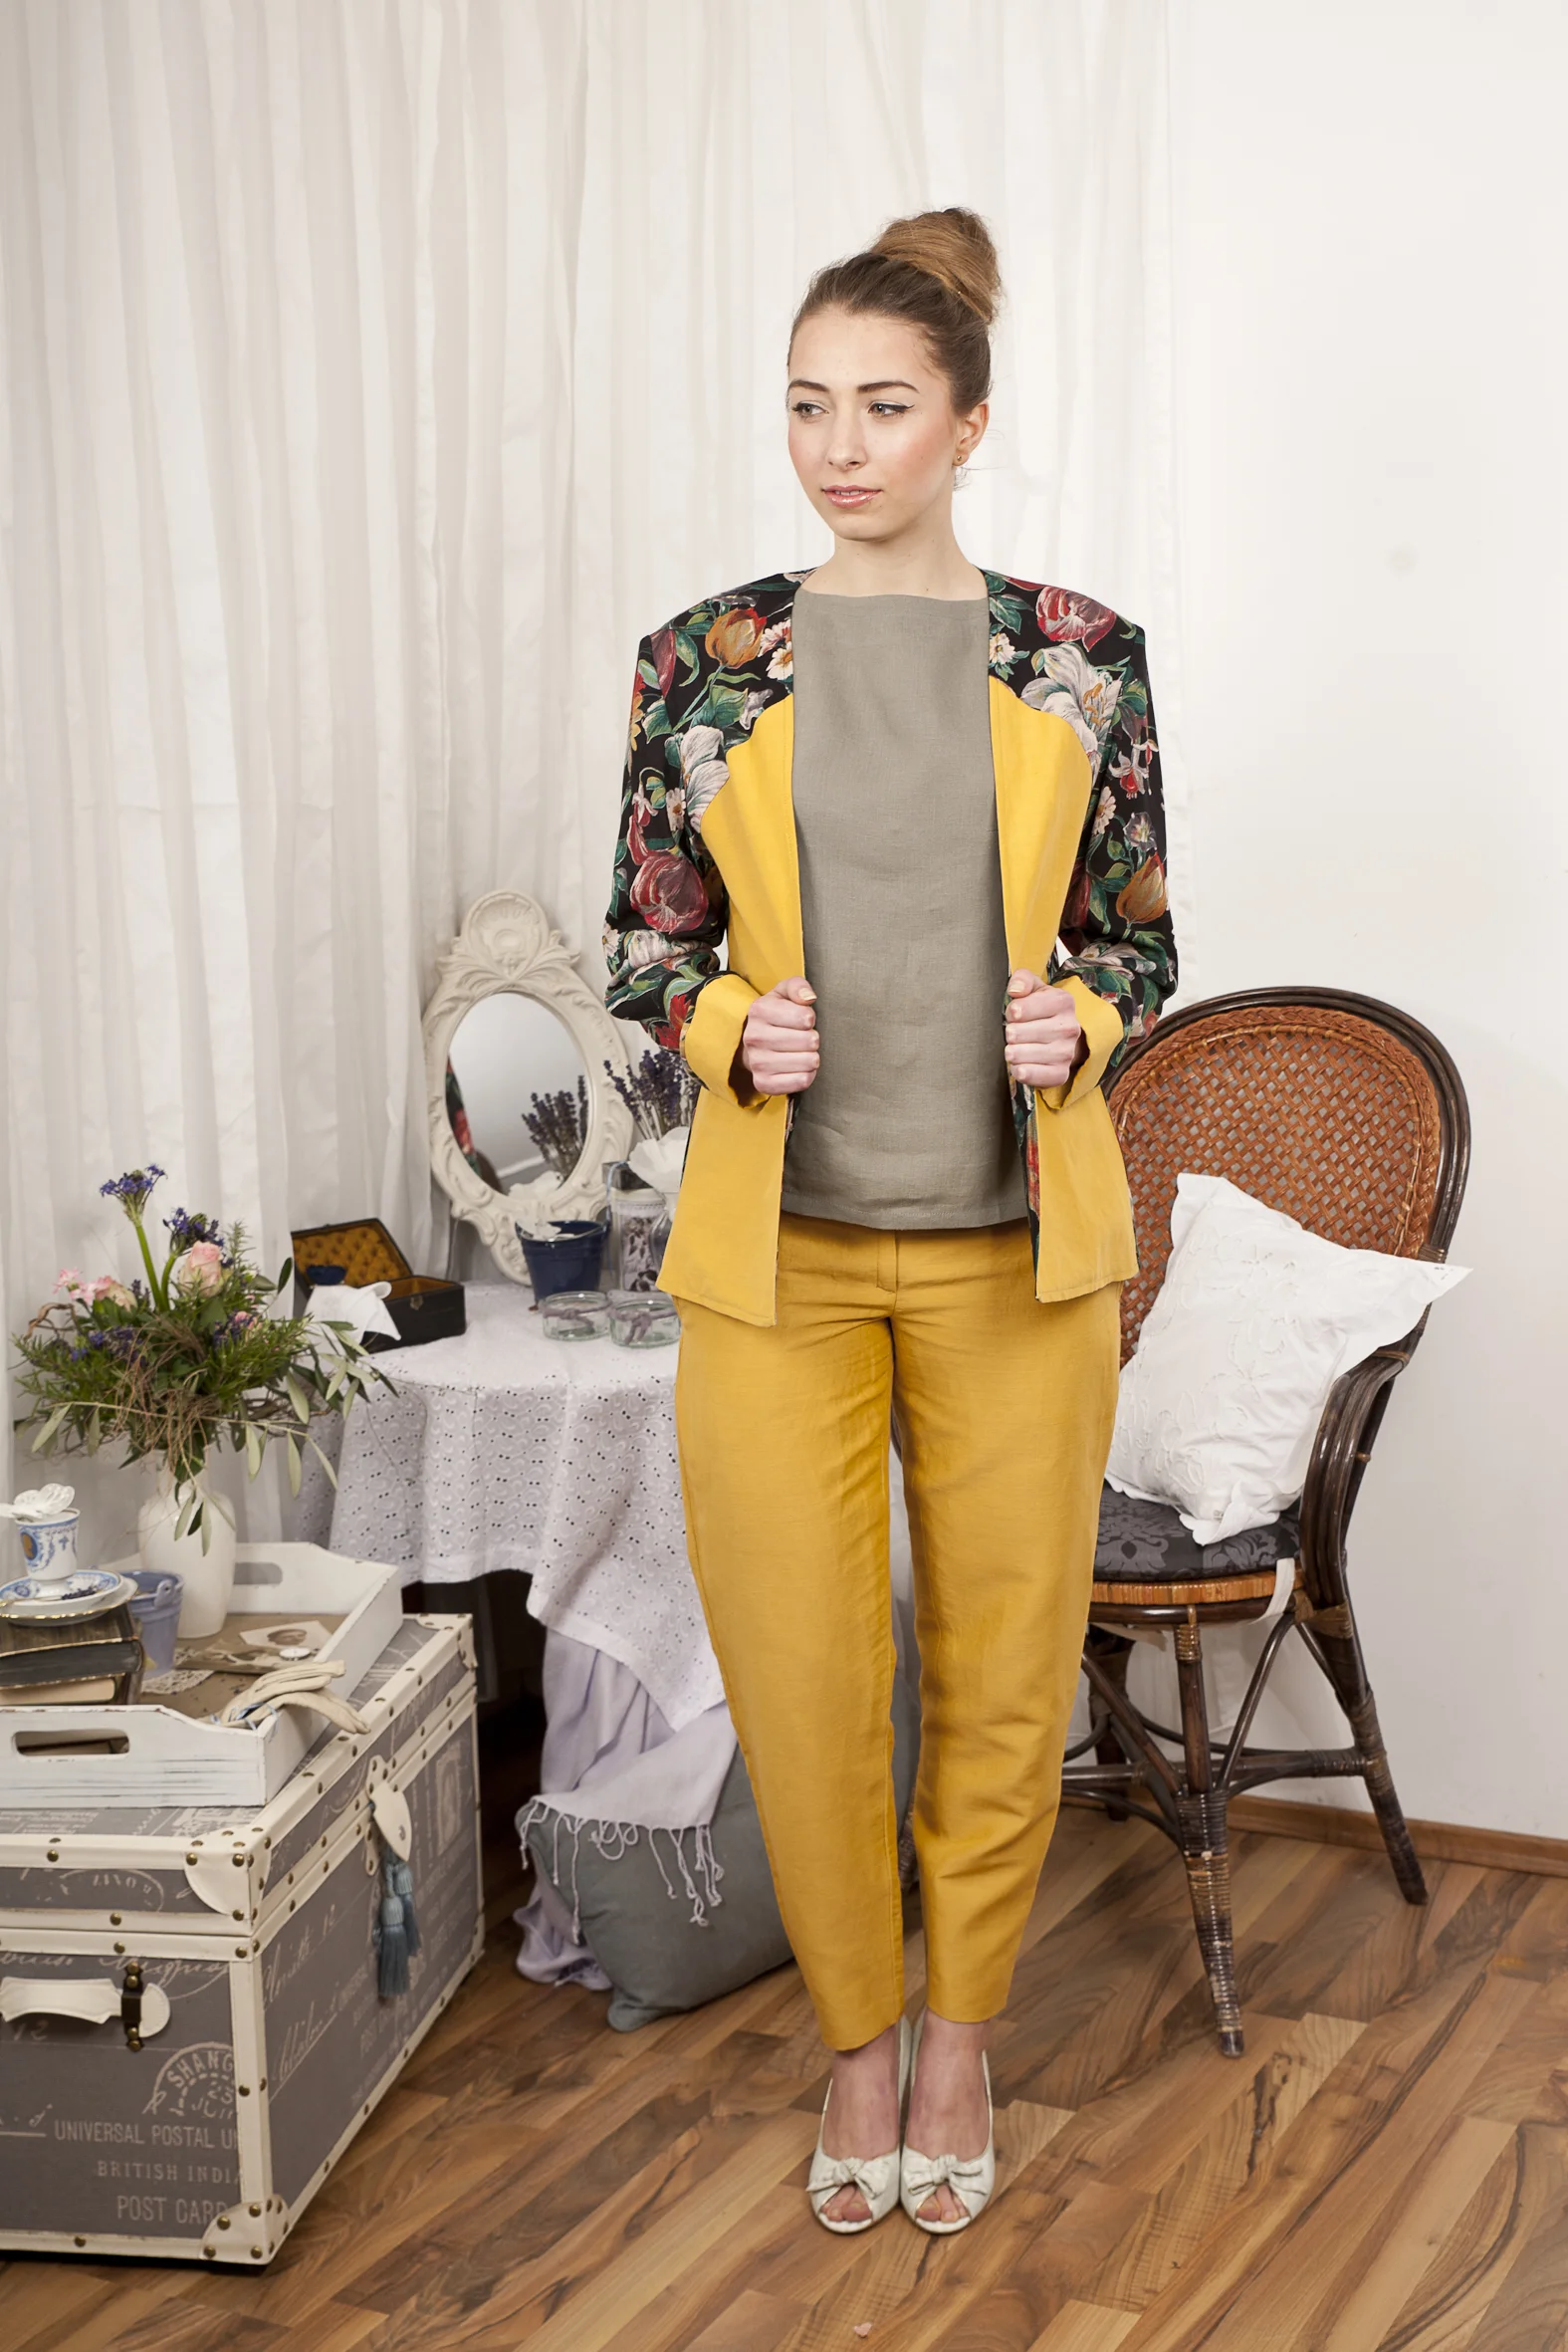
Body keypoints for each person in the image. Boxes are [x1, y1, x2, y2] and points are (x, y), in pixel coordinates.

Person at [602, 207, 1176, 2234]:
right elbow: (643, 947)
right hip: (778, 1260)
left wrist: (1077, 1014)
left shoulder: (1081, 659)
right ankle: (858, 2034)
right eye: (805, 406)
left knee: (1003, 1669)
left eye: (881, 407)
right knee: (802, 1669)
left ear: (967, 424)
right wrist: (720, 1021)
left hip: (1019, 1256)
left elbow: (1140, 944)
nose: (836, 447)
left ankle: (960, 2034)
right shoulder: (701, 663)